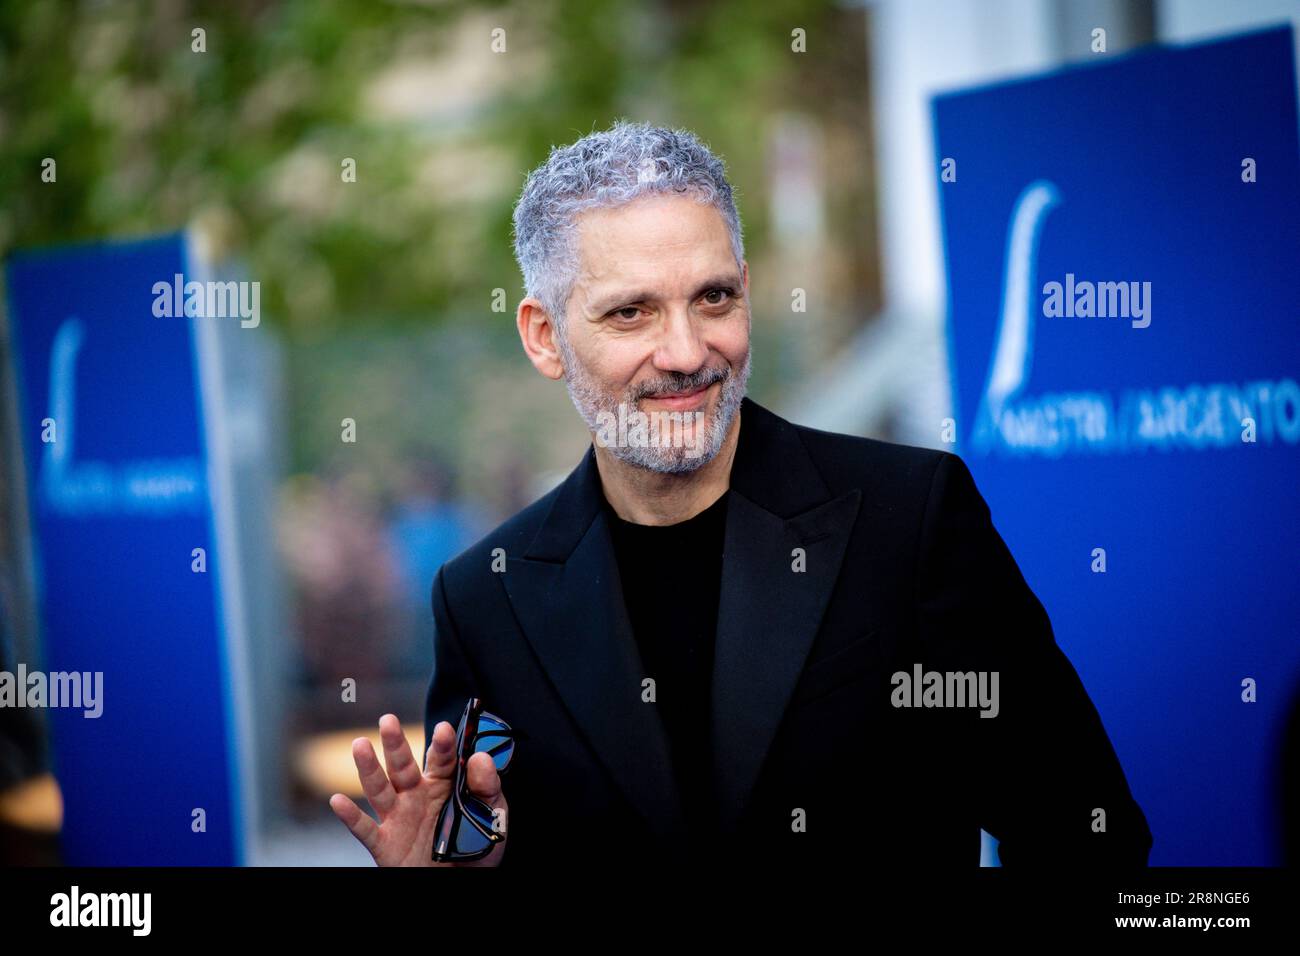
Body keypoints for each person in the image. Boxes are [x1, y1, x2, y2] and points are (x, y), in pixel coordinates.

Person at [329, 120, 1153, 868]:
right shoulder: (487, 596)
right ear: (545, 336)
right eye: (631, 313)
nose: (687, 351)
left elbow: (1088, 829)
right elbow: (500, 847)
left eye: (713, 297)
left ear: (747, 289)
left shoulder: (909, 519)